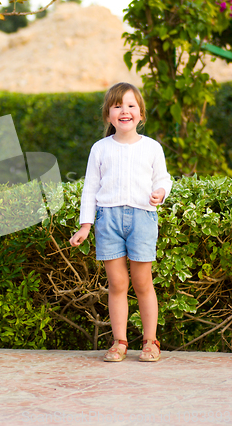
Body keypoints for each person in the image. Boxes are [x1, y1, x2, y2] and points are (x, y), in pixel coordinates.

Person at [69, 82, 172, 362]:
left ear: (140, 114)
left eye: (130, 106)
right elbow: (90, 188)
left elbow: (163, 179)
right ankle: (120, 341)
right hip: (108, 221)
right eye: (117, 106)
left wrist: (160, 193)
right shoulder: (100, 149)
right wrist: (85, 225)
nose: (124, 111)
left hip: (142, 219)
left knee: (142, 283)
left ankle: (150, 342)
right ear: (108, 114)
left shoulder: (152, 148)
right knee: (116, 284)